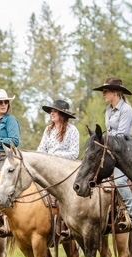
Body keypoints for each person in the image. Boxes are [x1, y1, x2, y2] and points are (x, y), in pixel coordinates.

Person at [93, 77, 132, 230]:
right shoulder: (108, 110)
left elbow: (120, 137)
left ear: (115, 92)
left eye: (105, 91)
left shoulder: (126, 110)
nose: (103, 94)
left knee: (119, 181)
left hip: (124, 153)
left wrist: (105, 143)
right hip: (111, 151)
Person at [37, 99, 79, 239]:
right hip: (48, 166)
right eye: (51, 111)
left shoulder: (72, 131)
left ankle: (65, 223)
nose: (51, 113)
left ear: (62, 114)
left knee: (63, 193)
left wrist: (56, 157)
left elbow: (74, 153)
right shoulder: (48, 130)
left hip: (64, 169)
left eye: (54, 111)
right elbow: (41, 149)